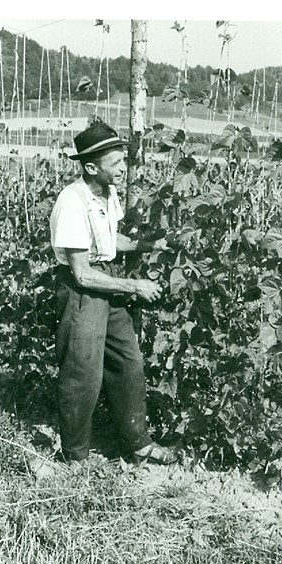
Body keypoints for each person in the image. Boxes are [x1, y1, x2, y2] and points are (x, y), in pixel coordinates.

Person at [50, 122, 178, 466]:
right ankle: (75, 457)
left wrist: (147, 245)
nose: (124, 169)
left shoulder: (107, 192)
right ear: (91, 167)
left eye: (123, 161)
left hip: (106, 277)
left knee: (129, 362)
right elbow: (82, 271)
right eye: (116, 163)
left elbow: (109, 242)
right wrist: (135, 286)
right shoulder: (72, 201)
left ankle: (138, 444)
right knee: (83, 372)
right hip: (83, 290)